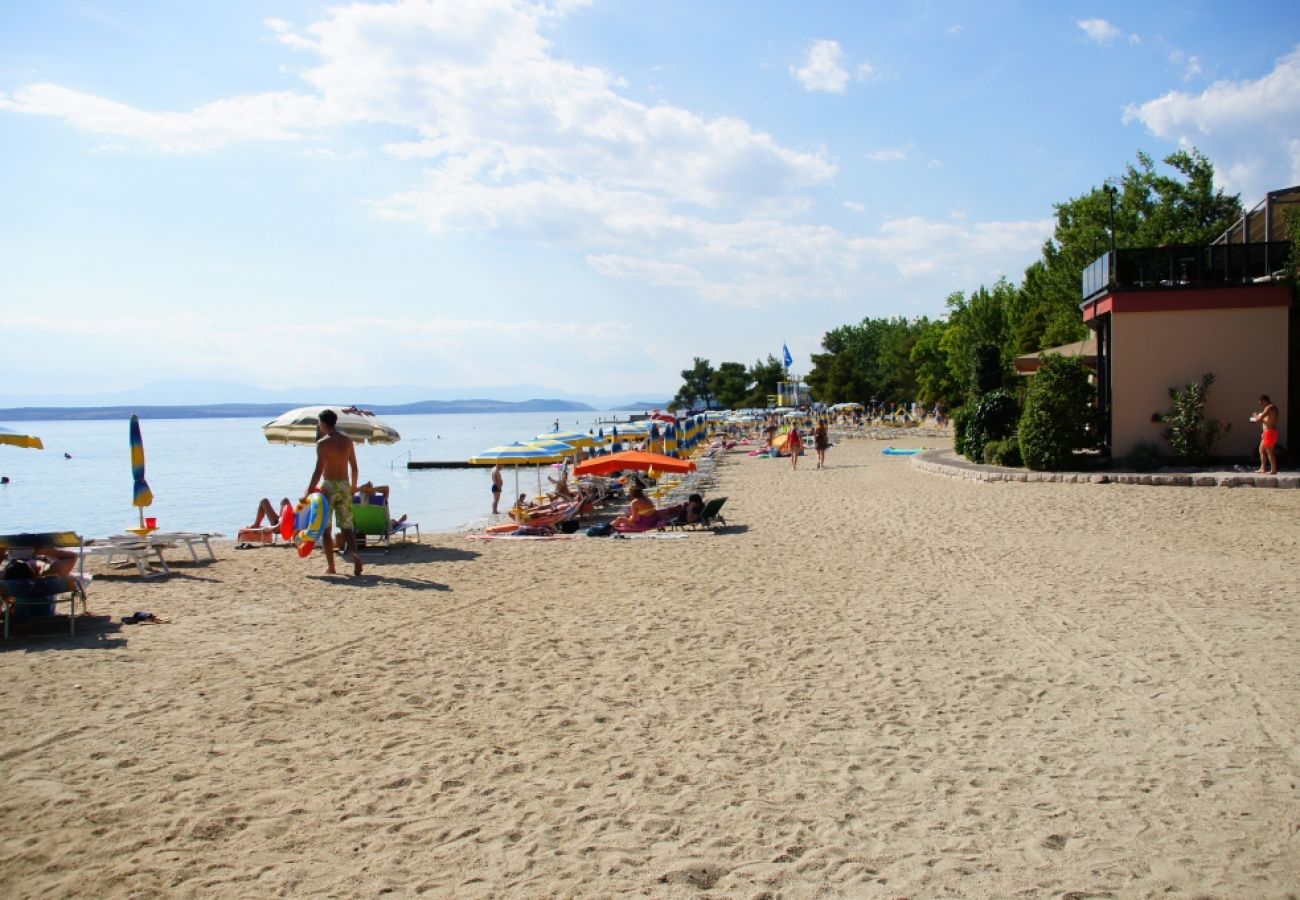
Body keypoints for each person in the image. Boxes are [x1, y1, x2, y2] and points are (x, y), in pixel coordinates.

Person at [304, 409, 362, 577]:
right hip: (345, 484)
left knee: (326, 528)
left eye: (319, 423)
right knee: (347, 527)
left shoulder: (322, 443)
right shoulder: (348, 441)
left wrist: (309, 492)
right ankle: (356, 558)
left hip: (329, 486)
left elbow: (318, 470)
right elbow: (355, 468)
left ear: (323, 424)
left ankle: (331, 567)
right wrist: (353, 487)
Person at [1252, 394, 1280, 475]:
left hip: (1269, 432)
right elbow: (1266, 420)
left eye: (1261, 403)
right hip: (1267, 432)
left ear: (1264, 400)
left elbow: (1259, 419)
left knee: (1269, 451)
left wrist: (1255, 415)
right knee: (1261, 449)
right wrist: (1259, 417)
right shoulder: (1272, 408)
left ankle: (1273, 470)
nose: (1261, 405)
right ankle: (1263, 468)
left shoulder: (1269, 407)